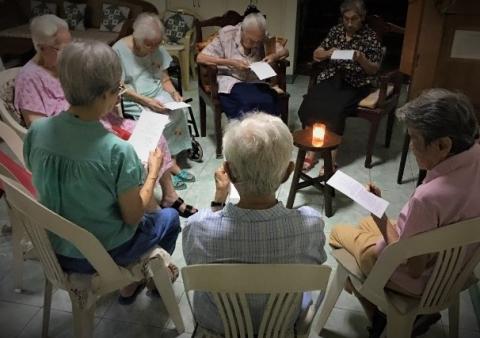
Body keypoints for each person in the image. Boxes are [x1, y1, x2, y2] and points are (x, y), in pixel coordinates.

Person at [23, 40, 185, 304]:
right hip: (105, 252)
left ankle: (135, 285)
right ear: (105, 96)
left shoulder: (37, 133)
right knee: (168, 218)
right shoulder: (117, 151)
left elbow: (42, 175)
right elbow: (132, 217)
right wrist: (153, 172)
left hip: (55, 248)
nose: (119, 95)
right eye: (118, 90)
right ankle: (146, 281)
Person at [329, 89, 480, 337]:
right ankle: (373, 303)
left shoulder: (429, 198)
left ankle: (376, 314)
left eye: (414, 139)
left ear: (443, 145)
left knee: (338, 233)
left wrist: (381, 217)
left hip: (420, 280)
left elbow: (414, 267)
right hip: (455, 265)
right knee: (366, 223)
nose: (410, 147)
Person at [14, 14, 196, 217]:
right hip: (74, 134)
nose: (69, 52)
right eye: (62, 48)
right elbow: (38, 127)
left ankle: (169, 195)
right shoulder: (29, 78)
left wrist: (109, 100)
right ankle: (137, 204)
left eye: (70, 44)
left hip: (99, 118)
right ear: (41, 47)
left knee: (154, 134)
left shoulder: (68, 65)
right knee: (126, 154)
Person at [182, 112, 326, 334]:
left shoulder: (197, 226)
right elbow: (314, 266)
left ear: (228, 172)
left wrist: (218, 200)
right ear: (288, 173)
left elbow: (195, 265)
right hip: (283, 322)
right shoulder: (311, 224)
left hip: (218, 325)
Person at [297, 0, 382, 171]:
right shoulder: (336, 31)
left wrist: (361, 58)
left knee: (335, 110)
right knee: (310, 102)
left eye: (354, 19)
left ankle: (331, 158)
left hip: (355, 82)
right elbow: (316, 54)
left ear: (362, 18)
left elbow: (374, 69)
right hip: (331, 77)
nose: (349, 23)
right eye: (346, 19)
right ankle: (311, 152)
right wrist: (329, 52)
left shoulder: (370, 37)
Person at [112, 13, 195, 189]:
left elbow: (164, 79)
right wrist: (146, 101)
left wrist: (174, 93)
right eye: (149, 45)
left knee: (177, 111)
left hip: (156, 92)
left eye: (157, 45)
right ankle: (164, 168)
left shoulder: (155, 45)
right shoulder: (118, 50)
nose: (153, 49)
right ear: (137, 38)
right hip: (134, 98)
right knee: (156, 122)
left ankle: (171, 161)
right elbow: (119, 88)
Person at [196, 13, 289, 119]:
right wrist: (231, 62)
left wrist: (274, 56)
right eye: (252, 40)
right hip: (231, 78)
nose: (255, 44)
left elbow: (285, 51)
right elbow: (200, 57)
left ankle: (264, 131)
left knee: (268, 100)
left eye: (257, 41)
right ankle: (247, 131)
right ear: (243, 31)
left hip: (255, 79)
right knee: (247, 102)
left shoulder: (262, 35)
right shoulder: (226, 35)